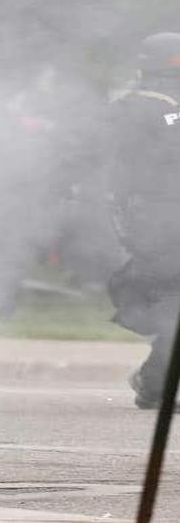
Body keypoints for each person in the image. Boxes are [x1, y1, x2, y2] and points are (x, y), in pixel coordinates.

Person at [107, 32, 180, 410]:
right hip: (158, 218)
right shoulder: (139, 107)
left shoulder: (134, 105)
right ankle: (156, 382)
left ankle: (155, 381)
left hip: (153, 216)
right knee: (172, 299)